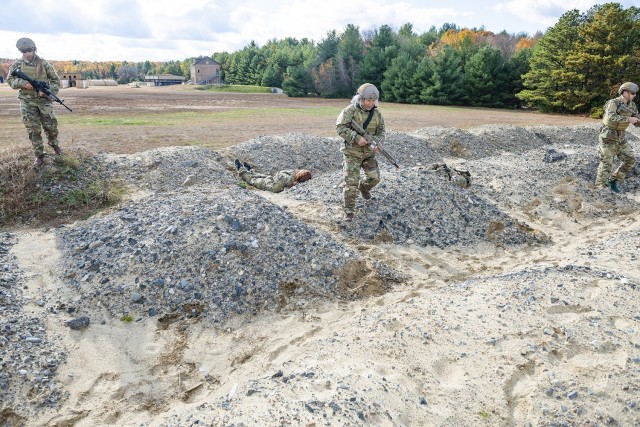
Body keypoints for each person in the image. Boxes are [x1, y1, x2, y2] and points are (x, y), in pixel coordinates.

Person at [7, 37, 64, 167]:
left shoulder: (44, 64)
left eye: (30, 50)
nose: (27, 53)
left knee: (51, 126)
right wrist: (23, 83)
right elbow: (10, 80)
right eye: (24, 51)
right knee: (33, 130)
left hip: (44, 101)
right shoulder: (17, 65)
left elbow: (56, 81)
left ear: (34, 49)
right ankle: (39, 155)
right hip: (27, 102)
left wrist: (48, 91)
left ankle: (55, 146)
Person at [336, 83, 385, 221]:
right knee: (351, 183)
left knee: (375, 178)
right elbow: (340, 128)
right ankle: (349, 211)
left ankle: (363, 188)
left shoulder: (377, 114)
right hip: (352, 153)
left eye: (373, 101)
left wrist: (378, 143)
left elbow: (381, 131)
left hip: (369, 153)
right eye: (368, 100)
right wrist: (356, 138)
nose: (370, 103)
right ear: (360, 99)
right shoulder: (350, 111)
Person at [595, 81, 640, 193]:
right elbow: (610, 117)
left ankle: (613, 180)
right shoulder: (613, 103)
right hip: (608, 137)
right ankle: (600, 188)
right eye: (633, 93)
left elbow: (636, 122)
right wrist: (628, 119)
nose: (635, 95)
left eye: (635, 93)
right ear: (625, 92)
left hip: (620, 137)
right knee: (607, 162)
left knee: (630, 159)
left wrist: (637, 121)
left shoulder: (632, 106)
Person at [234, 159, 311, 193]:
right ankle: (251, 171)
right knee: (262, 176)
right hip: (273, 181)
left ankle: (241, 170)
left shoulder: (289, 178)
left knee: (252, 180)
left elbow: (279, 175)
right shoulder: (293, 176)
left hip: (269, 185)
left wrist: (270, 178)